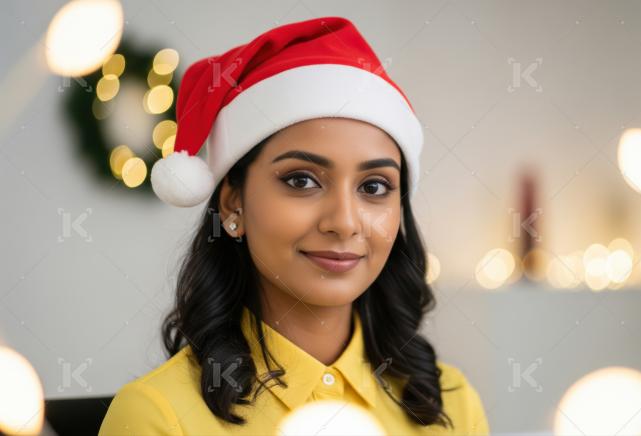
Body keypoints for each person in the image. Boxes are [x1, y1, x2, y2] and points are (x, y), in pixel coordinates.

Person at [99, 16, 490, 435]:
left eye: (374, 186)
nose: (343, 222)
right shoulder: (156, 415)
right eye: (301, 180)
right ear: (233, 204)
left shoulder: (450, 402)